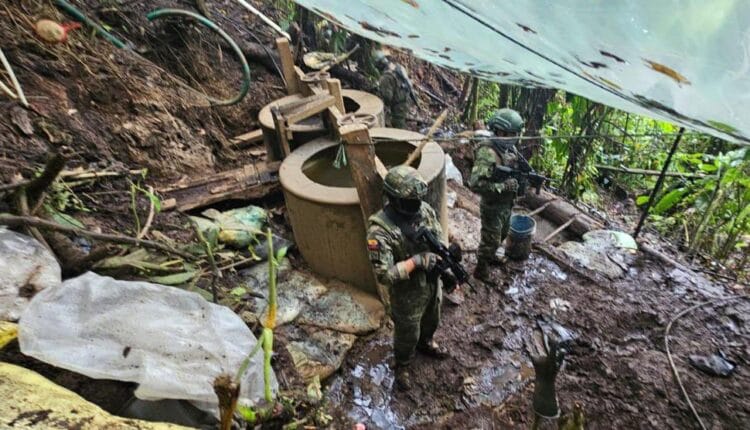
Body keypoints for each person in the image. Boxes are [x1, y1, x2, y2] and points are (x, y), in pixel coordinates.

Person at [366, 165, 450, 390]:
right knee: (407, 332)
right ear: (393, 199)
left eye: (417, 200)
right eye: (410, 202)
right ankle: (403, 363)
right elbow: (384, 275)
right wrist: (416, 262)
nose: (416, 206)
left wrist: (445, 261)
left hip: (431, 282)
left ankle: (427, 343)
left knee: (433, 317)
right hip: (408, 292)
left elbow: (438, 235)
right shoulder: (380, 231)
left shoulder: (423, 209)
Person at [468, 108, 526, 281]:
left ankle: (490, 255)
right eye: (511, 133)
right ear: (500, 131)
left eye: (516, 133)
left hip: (506, 204)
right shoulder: (487, 153)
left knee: (502, 234)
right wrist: (504, 186)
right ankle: (481, 269)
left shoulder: (509, 149)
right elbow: (475, 184)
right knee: (491, 240)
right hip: (492, 206)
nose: (515, 137)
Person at [374, 52, 414, 129]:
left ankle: (402, 140)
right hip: (406, 99)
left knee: (398, 126)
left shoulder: (386, 77)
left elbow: (387, 98)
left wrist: (378, 92)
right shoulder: (397, 67)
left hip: (399, 105)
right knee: (401, 121)